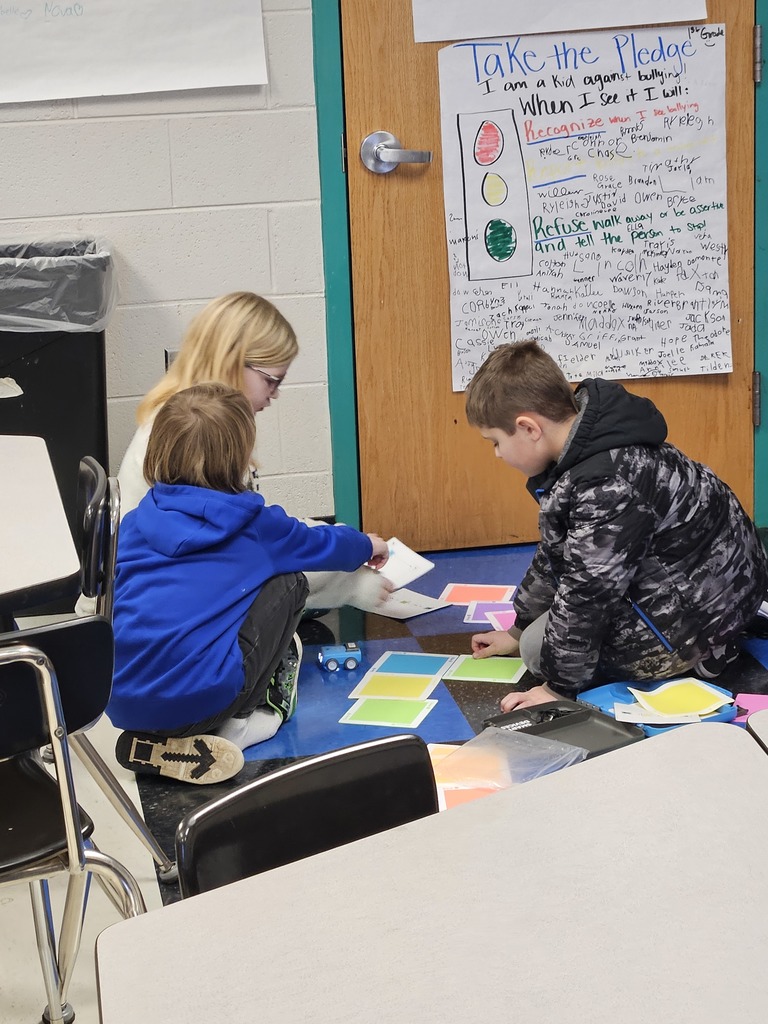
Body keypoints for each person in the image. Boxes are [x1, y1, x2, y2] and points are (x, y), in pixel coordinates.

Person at [465, 340, 768, 711]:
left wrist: (558, 689)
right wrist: (517, 626)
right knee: (534, 633)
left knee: (536, 648)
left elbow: (588, 593)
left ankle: (703, 654)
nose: (497, 454)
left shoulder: (604, 483)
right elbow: (557, 553)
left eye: (495, 442)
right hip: (724, 589)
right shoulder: (599, 438)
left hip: (703, 621)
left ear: (529, 428)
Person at [109, 383, 389, 784]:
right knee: (289, 581)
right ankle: (238, 725)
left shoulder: (135, 522)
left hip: (122, 701)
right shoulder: (255, 526)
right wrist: (367, 544)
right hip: (202, 702)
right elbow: (322, 545)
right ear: (239, 456)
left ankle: (160, 739)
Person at [117, 291, 390, 613]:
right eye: (271, 381)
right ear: (231, 362)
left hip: (145, 599)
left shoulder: (178, 420)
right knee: (309, 564)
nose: (275, 395)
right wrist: (348, 566)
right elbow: (252, 546)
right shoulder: (198, 437)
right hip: (177, 599)